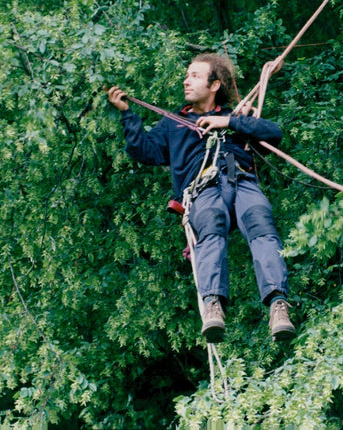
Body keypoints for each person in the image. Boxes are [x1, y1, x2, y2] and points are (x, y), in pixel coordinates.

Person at [106, 53, 295, 343]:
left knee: (260, 222)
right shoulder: (174, 124)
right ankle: (212, 305)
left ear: (214, 85)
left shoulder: (236, 118)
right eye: (187, 74)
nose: (186, 80)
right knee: (211, 224)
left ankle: (278, 305)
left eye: (195, 75)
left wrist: (229, 122)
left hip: (240, 179)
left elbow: (273, 133)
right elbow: (143, 150)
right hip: (203, 189)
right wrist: (126, 114)